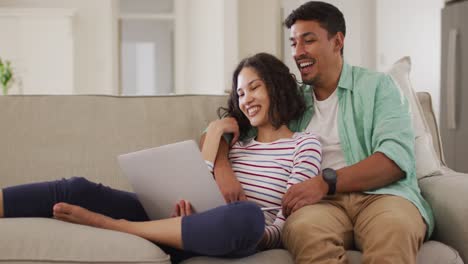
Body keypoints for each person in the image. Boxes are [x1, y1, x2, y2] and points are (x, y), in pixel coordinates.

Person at [0, 53, 322, 263]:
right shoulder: (234, 143)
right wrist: (215, 132)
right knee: (78, 188)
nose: (246, 99)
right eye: (240, 93)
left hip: (234, 232)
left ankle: (113, 226)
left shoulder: (304, 145)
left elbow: (285, 220)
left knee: (247, 216)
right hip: (177, 222)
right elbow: (198, 178)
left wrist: (213, 225)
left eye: (254, 88)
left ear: (277, 87)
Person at [208, 2, 434, 264]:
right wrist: (222, 167)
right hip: (320, 206)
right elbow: (229, 126)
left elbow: (394, 160)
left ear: (337, 41)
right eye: (293, 43)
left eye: (308, 40)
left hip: (382, 197)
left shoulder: (378, 86)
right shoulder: (291, 100)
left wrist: (325, 181)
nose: (298, 52)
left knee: (395, 230)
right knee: (303, 230)